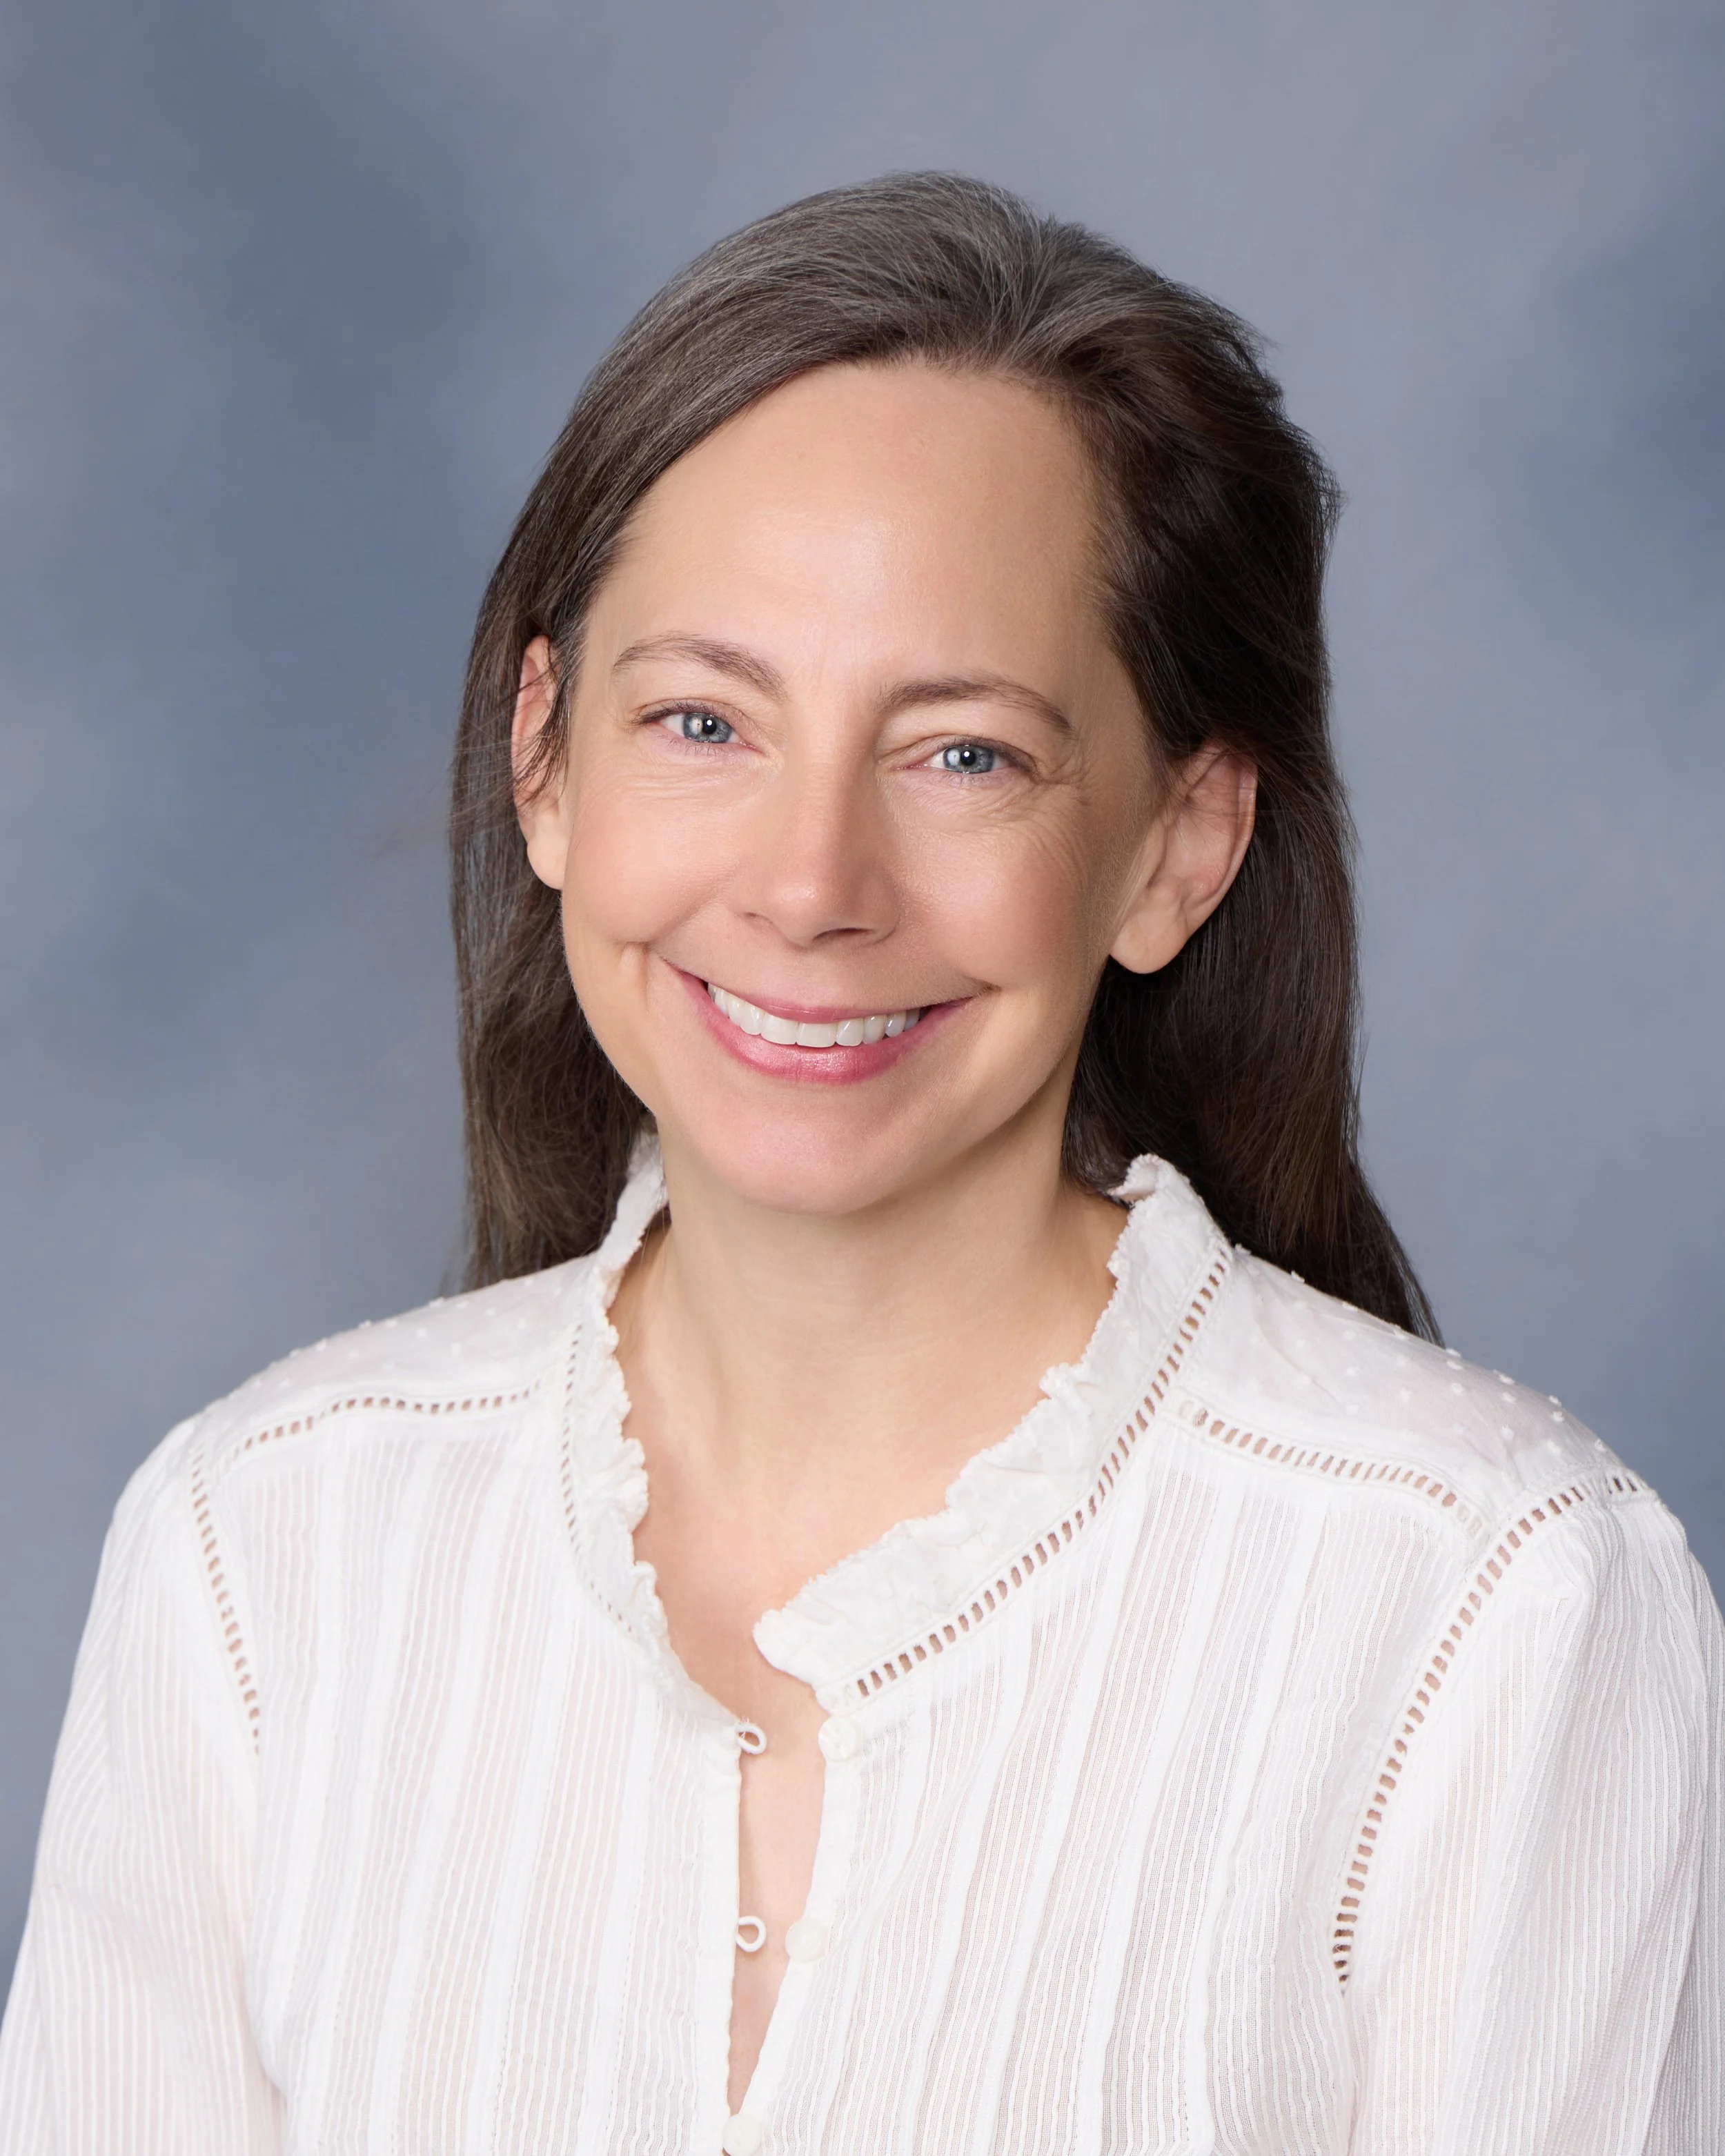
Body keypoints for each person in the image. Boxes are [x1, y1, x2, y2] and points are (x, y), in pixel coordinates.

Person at [1, 172, 1717, 2156]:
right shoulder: (253, 1553)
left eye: (962, 752)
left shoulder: (1490, 1609)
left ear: (1179, 840)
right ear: (544, 758)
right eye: (705, 720)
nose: (812, 885)